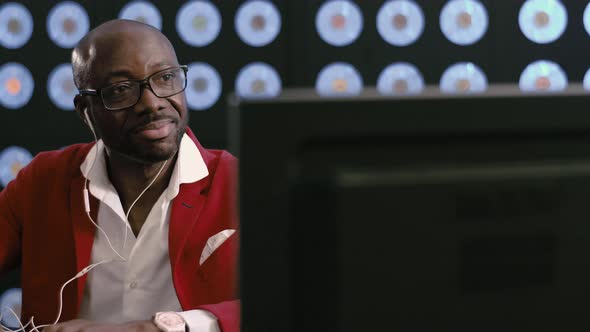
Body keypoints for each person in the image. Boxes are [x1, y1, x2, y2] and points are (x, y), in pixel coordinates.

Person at [0, 19, 239, 332]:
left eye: (166, 77)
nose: (152, 103)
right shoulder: (43, 181)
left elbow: (293, 296)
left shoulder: (238, 181)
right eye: (121, 89)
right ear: (86, 110)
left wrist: (154, 329)